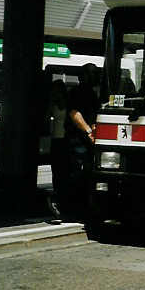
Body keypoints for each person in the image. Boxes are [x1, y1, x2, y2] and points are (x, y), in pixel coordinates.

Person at [62, 63, 101, 218]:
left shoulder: (91, 92)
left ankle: (81, 206)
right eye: (93, 74)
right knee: (77, 173)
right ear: (84, 76)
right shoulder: (77, 92)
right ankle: (73, 208)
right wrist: (89, 131)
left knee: (85, 174)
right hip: (78, 140)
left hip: (85, 139)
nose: (96, 77)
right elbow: (74, 113)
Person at [47, 79, 69, 219]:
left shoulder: (68, 103)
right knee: (56, 170)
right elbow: (45, 116)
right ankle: (57, 194)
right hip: (55, 139)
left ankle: (62, 197)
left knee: (63, 170)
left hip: (64, 139)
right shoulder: (52, 103)